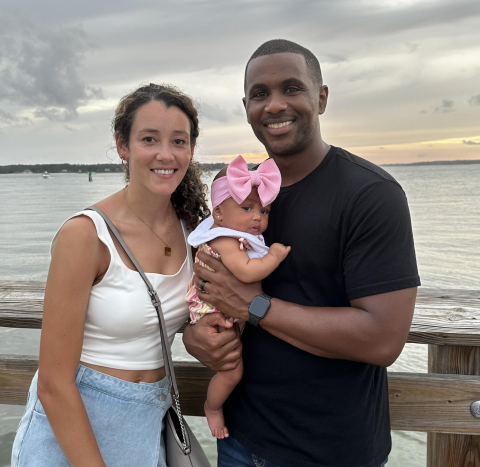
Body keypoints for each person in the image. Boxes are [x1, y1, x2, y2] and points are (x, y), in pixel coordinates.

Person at [183, 39, 420, 467]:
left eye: (291, 88)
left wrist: (255, 306)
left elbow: (384, 339)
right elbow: (207, 287)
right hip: (239, 438)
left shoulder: (370, 195)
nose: (274, 105)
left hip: (332, 450)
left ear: (321, 97)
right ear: (246, 105)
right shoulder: (240, 199)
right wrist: (194, 337)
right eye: (260, 94)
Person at [12, 83, 210, 467]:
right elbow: (54, 385)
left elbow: (180, 312)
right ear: (123, 145)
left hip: (148, 420)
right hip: (72, 427)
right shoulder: (85, 235)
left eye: (179, 141)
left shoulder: (193, 231)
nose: (165, 154)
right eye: (149, 139)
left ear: (191, 149)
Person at [185, 154, 290, 439]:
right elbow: (246, 273)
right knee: (231, 372)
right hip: (214, 312)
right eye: (247, 208)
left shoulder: (231, 233)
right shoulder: (223, 239)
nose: (257, 216)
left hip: (227, 308)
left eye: (264, 211)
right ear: (218, 213)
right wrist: (275, 256)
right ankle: (212, 407)